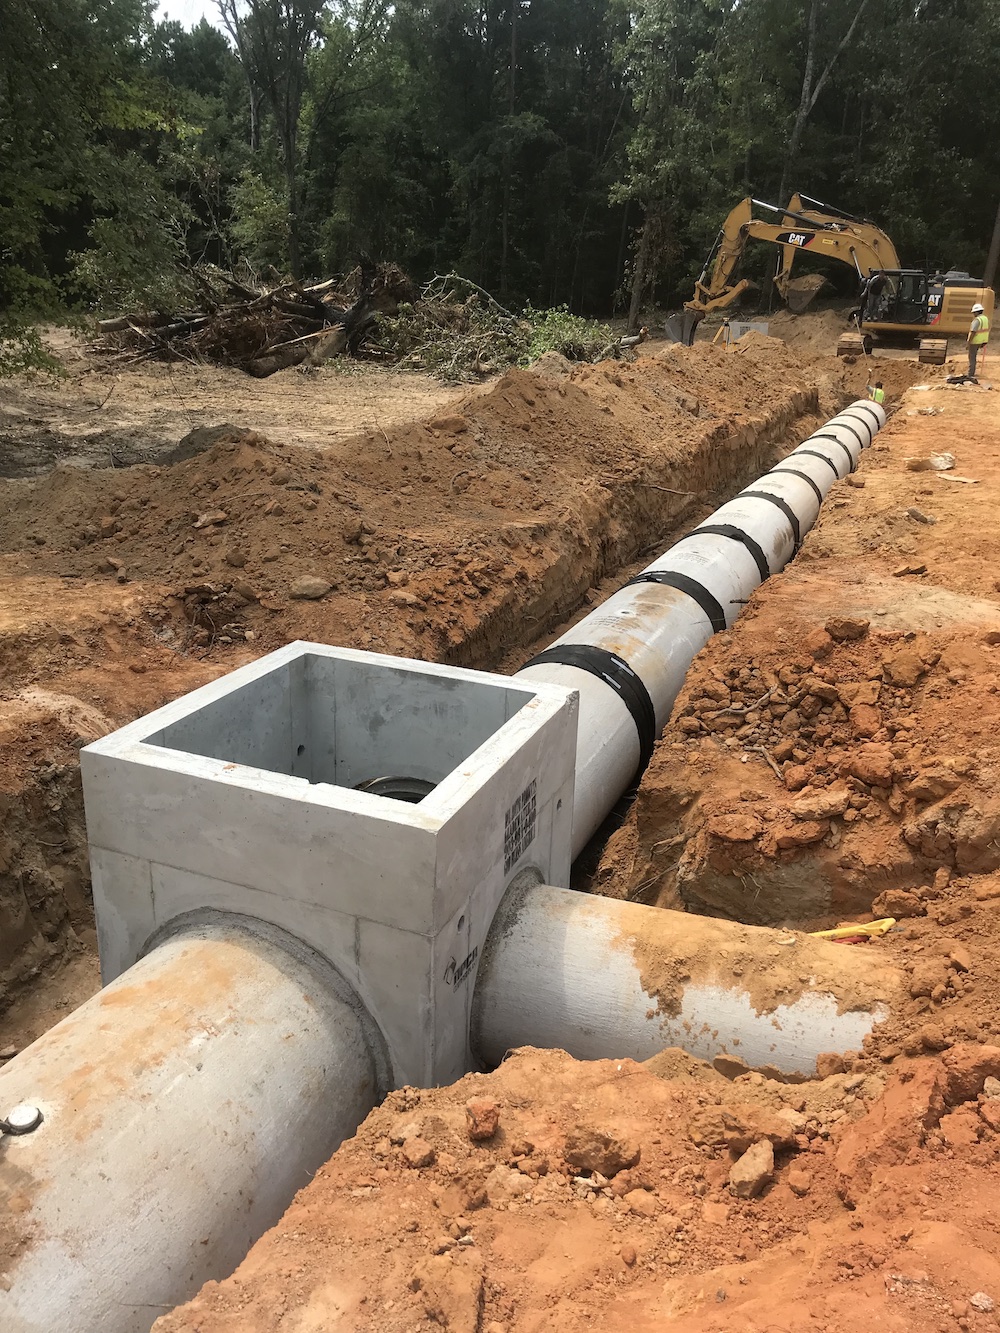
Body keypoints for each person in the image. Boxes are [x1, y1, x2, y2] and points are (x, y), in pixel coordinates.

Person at [967, 302, 990, 378]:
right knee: (974, 356)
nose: (973, 314)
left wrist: (968, 342)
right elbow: (986, 329)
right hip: (982, 341)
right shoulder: (985, 318)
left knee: (972, 357)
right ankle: (972, 372)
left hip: (975, 341)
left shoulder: (977, 320)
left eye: (974, 312)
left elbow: (973, 332)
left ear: (977, 312)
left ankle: (970, 374)